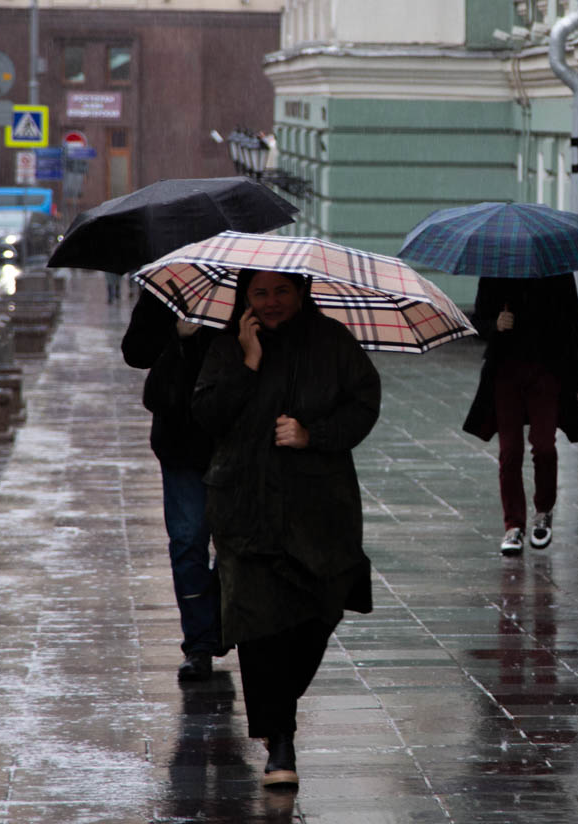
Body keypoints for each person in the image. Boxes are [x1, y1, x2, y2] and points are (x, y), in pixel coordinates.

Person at [191, 269, 381, 788]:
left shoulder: (333, 342)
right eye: (260, 292)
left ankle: (279, 710)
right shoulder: (229, 345)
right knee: (258, 622)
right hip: (244, 505)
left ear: (301, 292)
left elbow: (364, 405)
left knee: (319, 609)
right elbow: (207, 414)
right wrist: (248, 365)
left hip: (319, 507)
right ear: (244, 297)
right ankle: (281, 742)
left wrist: (312, 433)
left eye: (281, 291)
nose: (271, 302)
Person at [121, 289, 224, 681]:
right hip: (183, 441)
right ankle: (199, 643)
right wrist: (178, 334)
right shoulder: (166, 289)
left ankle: (221, 620)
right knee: (187, 542)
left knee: (240, 541)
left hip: (240, 437)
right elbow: (135, 352)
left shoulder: (248, 283)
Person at [462, 273, 578, 557]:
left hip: (547, 371)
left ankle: (543, 511)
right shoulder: (495, 271)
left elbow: (572, 324)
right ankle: (513, 526)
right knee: (510, 451)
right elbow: (477, 321)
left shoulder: (558, 272)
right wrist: (495, 325)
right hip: (505, 373)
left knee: (544, 446)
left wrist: (576, 380)